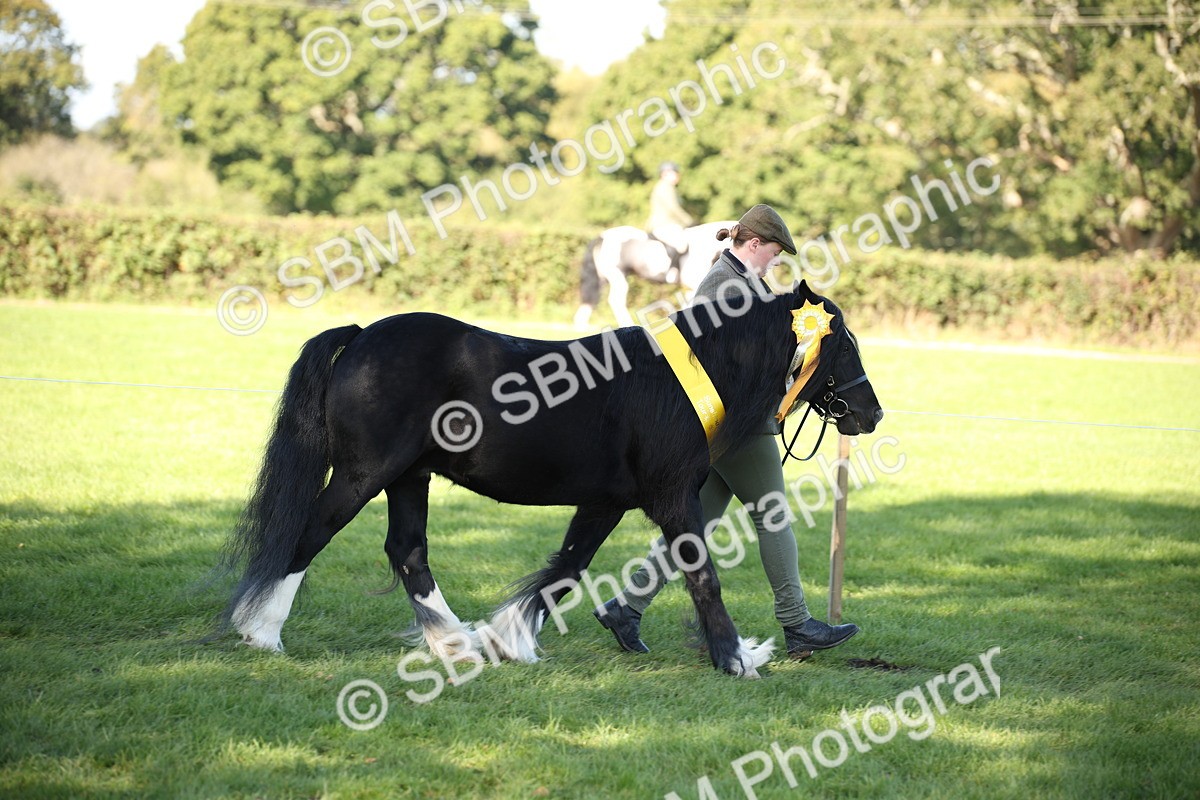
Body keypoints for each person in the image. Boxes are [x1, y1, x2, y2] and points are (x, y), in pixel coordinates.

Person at [594, 204, 860, 661]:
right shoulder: (723, 285)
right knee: (773, 517)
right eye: (774, 253)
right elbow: (717, 358)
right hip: (738, 427)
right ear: (754, 244)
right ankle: (797, 623)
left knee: (697, 524)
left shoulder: (746, 281)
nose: (776, 263)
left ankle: (626, 606)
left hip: (732, 425)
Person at [647, 161, 694, 256]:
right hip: (664, 225)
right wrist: (689, 221)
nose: (677, 176)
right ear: (665, 174)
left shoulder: (667, 187)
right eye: (675, 173)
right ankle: (674, 270)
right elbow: (674, 208)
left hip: (667, 224)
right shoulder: (665, 187)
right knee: (682, 245)